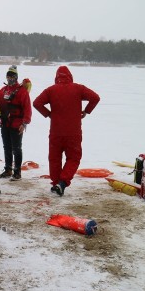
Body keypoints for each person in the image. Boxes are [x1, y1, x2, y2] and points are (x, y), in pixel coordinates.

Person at [33, 65, 100, 196]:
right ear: (70, 76)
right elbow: (95, 98)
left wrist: (49, 114)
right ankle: (62, 183)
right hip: (73, 133)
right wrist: (86, 111)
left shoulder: (51, 90)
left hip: (56, 132)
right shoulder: (78, 88)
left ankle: (56, 183)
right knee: (74, 158)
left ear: (56, 77)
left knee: (54, 158)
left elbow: (36, 103)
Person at [0, 65, 32, 181]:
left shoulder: (22, 92)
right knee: (6, 147)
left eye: (12, 76)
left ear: (16, 77)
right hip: (5, 123)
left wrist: (25, 123)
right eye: (8, 75)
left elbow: (27, 109)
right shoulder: (3, 90)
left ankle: (17, 172)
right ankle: (8, 169)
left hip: (17, 124)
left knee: (16, 148)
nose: (10, 78)